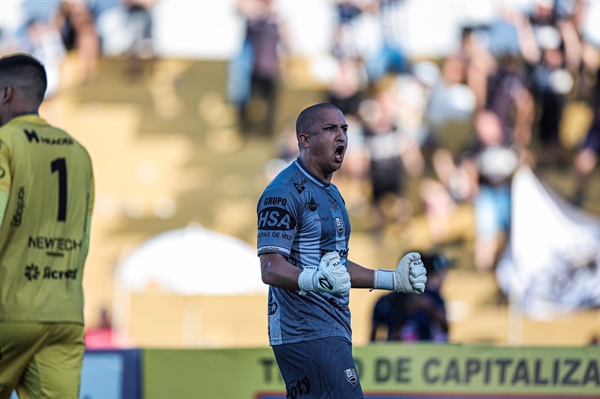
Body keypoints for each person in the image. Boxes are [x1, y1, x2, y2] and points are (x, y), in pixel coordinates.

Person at [256, 103, 427, 398]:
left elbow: (335, 266)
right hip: (306, 330)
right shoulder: (282, 192)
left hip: (332, 328)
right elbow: (270, 267)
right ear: (304, 139)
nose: (342, 137)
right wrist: (313, 280)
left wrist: (392, 280)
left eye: (344, 129)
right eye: (330, 129)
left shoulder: (332, 193)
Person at [0, 54, 94, 399]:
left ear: (6, 94)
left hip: (9, 311)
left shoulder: (4, 142)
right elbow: (83, 238)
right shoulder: (79, 152)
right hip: (65, 315)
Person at [371, 252, 449, 342]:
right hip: (396, 353)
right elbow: (374, 337)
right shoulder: (386, 302)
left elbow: (445, 328)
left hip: (427, 351)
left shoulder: (432, 298)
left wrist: (429, 307)